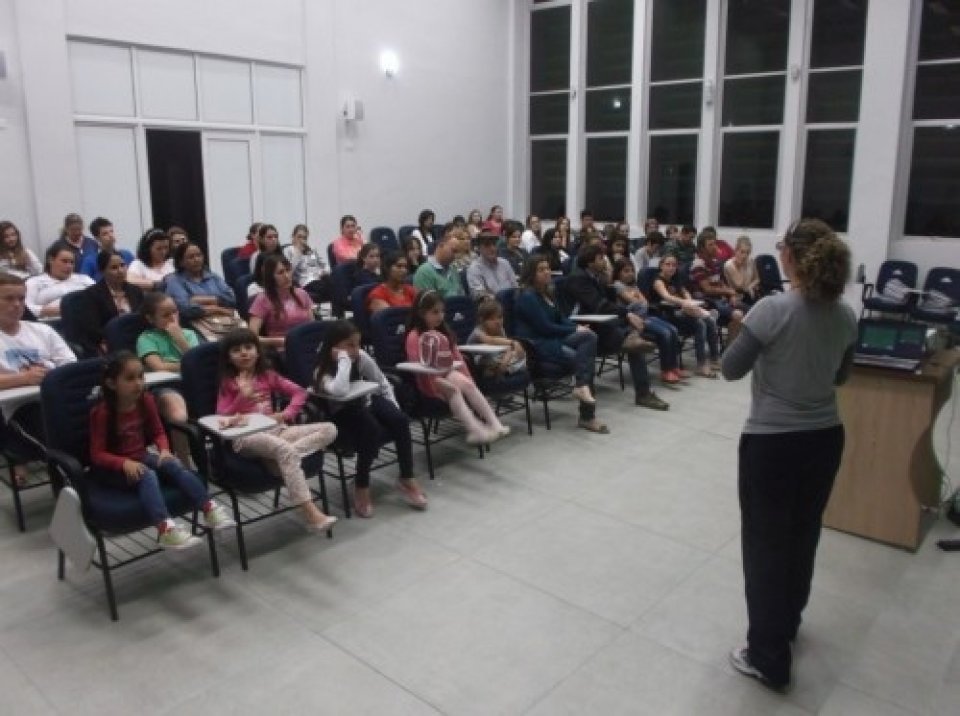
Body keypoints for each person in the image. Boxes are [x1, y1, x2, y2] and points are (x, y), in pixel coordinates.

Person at [723, 218, 857, 692]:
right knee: (802, 536)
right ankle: (787, 624)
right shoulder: (846, 315)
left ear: (791, 258)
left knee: (765, 547)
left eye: (782, 245)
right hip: (825, 439)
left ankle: (767, 657)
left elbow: (730, 369)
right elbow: (841, 378)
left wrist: (739, 328)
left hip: (773, 444)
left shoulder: (771, 309)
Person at [89, 352, 235, 549]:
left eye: (140, 376)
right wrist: (124, 463)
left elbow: (158, 431)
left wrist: (165, 450)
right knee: (147, 475)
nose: (138, 383)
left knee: (172, 465)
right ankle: (165, 529)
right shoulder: (102, 413)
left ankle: (209, 509)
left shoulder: (146, 400)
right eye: (130, 379)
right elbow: (97, 454)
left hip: (139, 456)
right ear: (111, 384)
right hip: (112, 469)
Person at [216, 328, 338, 532]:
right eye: (236, 350)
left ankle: (279, 460)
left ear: (258, 351)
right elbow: (221, 416)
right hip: (245, 436)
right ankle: (311, 514)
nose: (244, 353)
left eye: (248, 347)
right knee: (284, 449)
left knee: (329, 429)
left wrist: (285, 414)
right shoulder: (229, 382)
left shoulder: (267, 376)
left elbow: (300, 392)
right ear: (228, 358)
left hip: (276, 430)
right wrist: (241, 397)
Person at [313, 320, 427, 517]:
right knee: (371, 427)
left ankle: (407, 477)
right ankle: (361, 484)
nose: (356, 350)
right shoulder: (321, 372)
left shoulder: (361, 356)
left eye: (358, 344)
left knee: (400, 420)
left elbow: (381, 382)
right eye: (349, 345)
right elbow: (340, 390)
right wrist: (343, 360)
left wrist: (393, 407)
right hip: (343, 411)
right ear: (333, 346)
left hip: (367, 399)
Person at [565, 245, 669, 411]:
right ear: (590, 262)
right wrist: (626, 314)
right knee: (632, 339)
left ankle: (643, 390)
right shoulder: (578, 278)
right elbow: (598, 305)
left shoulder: (595, 277)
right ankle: (642, 391)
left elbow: (608, 302)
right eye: (601, 259)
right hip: (582, 328)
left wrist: (608, 281)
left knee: (634, 337)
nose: (605, 261)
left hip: (599, 324)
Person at [514, 256, 606, 433]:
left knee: (589, 337)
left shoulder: (547, 292)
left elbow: (560, 318)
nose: (547, 272)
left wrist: (577, 327)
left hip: (553, 338)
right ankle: (587, 415)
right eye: (541, 269)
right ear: (531, 274)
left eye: (547, 268)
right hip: (538, 345)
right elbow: (545, 327)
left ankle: (582, 390)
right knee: (583, 360)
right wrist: (574, 330)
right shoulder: (527, 297)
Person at [0, 273, 76, 485]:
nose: (17, 304)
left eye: (21, 298)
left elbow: (70, 364)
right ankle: (74, 485)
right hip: (16, 409)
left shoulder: (42, 330)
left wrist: (48, 374)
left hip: (56, 400)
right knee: (58, 444)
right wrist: (24, 378)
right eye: (8, 298)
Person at [404, 291, 508, 445]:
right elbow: (420, 368)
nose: (440, 316)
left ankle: (495, 424)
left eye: (442, 311)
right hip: (428, 380)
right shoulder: (414, 336)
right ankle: (475, 430)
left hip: (446, 374)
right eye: (435, 312)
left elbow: (458, 358)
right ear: (421, 313)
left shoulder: (443, 332)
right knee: (453, 390)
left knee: (466, 383)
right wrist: (437, 385)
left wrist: (469, 379)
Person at [136, 292, 197, 462]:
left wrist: (180, 339)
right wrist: (184, 364)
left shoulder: (189, 334)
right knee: (178, 416)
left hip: (192, 383)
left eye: (175, 312)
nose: (172, 318)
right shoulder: (146, 338)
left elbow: (196, 363)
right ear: (150, 318)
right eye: (165, 315)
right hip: (164, 386)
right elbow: (158, 367)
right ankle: (184, 461)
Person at [610, 259, 685, 386]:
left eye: (632, 271)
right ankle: (666, 370)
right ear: (618, 273)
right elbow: (635, 302)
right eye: (626, 271)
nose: (630, 274)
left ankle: (674, 366)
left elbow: (645, 302)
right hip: (632, 321)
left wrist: (637, 297)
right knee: (665, 333)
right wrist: (637, 297)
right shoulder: (617, 285)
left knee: (673, 329)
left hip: (644, 316)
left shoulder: (633, 286)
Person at [652, 254, 721, 378]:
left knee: (710, 320)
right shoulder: (658, 281)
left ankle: (714, 358)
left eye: (674, 265)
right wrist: (684, 302)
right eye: (668, 264)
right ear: (661, 266)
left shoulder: (675, 278)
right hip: (667, 314)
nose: (671, 267)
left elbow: (685, 291)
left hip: (682, 311)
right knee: (700, 324)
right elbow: (666, 297)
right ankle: (701, 364)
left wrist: (689, 301)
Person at [74, 250, 144, 357]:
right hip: (109, 342)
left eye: (122, 265)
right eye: (114, 268)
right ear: (102, 271)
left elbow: (143, 318)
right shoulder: (91, 294)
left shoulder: (135, 290)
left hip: (137, 339)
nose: (120, 271)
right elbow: (93, 328)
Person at [247, 255, 314, 349]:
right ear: (271, 277)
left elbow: (312, 325)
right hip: (282, 349)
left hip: (308, 345)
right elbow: (252, 337)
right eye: (280, 273)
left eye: (288, 270)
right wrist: (281, 341)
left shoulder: (302, 294)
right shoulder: (262, 299)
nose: (287, 276)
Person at [689, 232, 745, 339]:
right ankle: (731, 348)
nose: (715, 247)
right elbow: (707, 289)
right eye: (710, 245)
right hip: (709, 303)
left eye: (715, 243)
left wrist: (731, 295)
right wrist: (728, 292)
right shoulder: (698, 265)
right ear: (702, 248)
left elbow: (721, 283)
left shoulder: (715, 262)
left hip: (721, 300)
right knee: (738, 315)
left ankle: (734, 346)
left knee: (752, 311)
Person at [164, 241, 237, 324]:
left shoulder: (213, 277)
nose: (196, 259)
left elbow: (231, 299)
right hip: (193, 324)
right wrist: (217, 309)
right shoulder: (174, 281)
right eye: (191, 257)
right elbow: (185, 309)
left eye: (199, 255)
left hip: (224, 321)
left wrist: (196, 300)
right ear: (181, 262)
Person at [25, 244, 94, 318]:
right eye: (64, 261)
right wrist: (56, 310)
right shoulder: (34, 282)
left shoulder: (84, 279)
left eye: (72, 262)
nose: (69, 266)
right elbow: (26, 308)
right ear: (51, 260)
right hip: (49, 321)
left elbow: (100, 298)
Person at [467, 300, 527, 380]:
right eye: (492, 319)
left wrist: (506, 360)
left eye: (500, 317)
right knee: (487, 359)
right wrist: (513, 342)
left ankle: (504, 370)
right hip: (480, 360)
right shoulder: (478, 331)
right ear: (482, 320)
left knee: (523, 355)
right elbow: (490, 340)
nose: (498, 322)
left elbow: (507, 348)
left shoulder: (500, 329)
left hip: (498, 358)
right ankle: (506, 369)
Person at [412, 225, 465, 298]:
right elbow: (428, 303)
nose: (455, 256)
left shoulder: (453, 269)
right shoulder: (424, 272)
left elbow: (462, 295)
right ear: (441, 246)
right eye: (453, 251)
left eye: (457, 252)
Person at [283, 223, 330, 304]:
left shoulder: (311, 249)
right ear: (293, 237)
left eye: (304, 238)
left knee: (335, 282)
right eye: (299, 237)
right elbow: (289, 270)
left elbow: (324, 264)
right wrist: (298, 252)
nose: (302, 240)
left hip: (320, 278)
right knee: (332, 289)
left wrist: (325, 271)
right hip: (306, 282)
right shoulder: (288, 250)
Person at [466, 233, 517, 302]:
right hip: (493, 305)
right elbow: (480, 295)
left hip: (512, 301)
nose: (492, 248)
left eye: (494, 244)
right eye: (487, 245)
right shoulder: (474, 268)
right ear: (479, 248)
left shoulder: (504, 263)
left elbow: (515, 286)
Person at [724, 235, 760, 306]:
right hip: (737, 297)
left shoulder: (751, 261)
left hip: (749, 295)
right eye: (742, 252)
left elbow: (757, 279)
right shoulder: (729, 265)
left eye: (748, 253)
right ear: (736, 250)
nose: (745, 256)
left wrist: (750, 287)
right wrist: (741, 266)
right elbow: (739, 284)